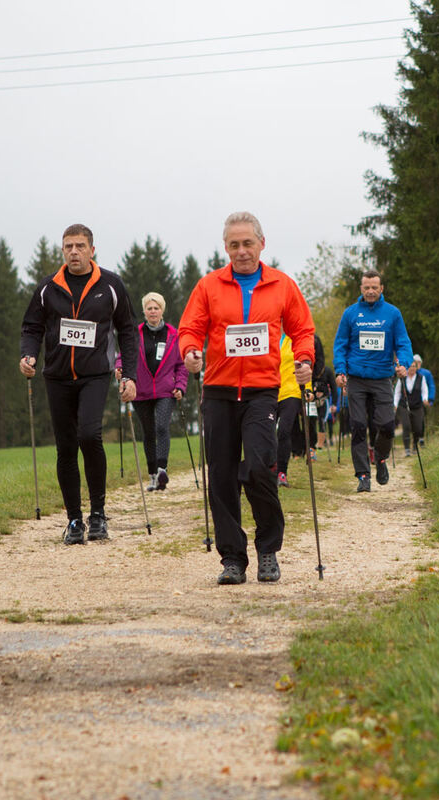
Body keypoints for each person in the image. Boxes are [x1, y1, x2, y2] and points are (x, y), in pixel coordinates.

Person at [179, 211, 315, 585]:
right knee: (221, 475)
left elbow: (303, 329)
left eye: (247, 243)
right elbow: (190, 328)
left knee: (258, 466)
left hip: (261, 390)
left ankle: (267, 549)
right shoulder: (209, 286)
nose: (241, 251)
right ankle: (232, 559)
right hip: (219, 391)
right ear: (226, 247)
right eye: (234, 245)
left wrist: (305, 360)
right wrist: (190, 351)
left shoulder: (281, 285)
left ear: (261, 243)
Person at [20, 223, 138, 545]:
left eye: (80, 246)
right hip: (57, 376)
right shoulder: (48, 288)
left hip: (95, 375)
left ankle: (97, 513)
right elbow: (31, 327)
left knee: (90, 434)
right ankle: (74, 519)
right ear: (63, 251)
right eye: (68, 246)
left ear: (92, 250)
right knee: (66, 447)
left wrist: (130, 374)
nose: (74, 252)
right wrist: (28, 356)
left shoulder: (111, 285)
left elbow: (127, 330)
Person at [333, 269, 413, 493]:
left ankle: (380, 458)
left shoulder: (392, 314)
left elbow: (403, 343)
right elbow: (340, 345)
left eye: (374, 288)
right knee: (358, 426)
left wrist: (404, 364)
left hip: (382, 378)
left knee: (387, 425)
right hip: (356, 379)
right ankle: (363, 475)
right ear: (361, 289)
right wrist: (340, 371)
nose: (370, 291)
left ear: (381, 289)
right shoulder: (350, 314)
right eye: (366, 287)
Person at [116, 292, 188, 491]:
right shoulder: (134, 333)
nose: (153, 311)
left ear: (162, 310)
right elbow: (124, 355)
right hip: (140, 390)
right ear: (144, 311)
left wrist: (180, 386)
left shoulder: (174, 335)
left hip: (166, 390)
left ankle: (162, 469)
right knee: (148, 432)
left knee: (162, 427)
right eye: (149, 308)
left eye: (156, 308)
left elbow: (181, 365)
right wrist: (119, 368)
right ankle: (152, 476)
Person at [276, 333, 312, 487]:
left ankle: (281, 473)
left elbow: (305, 365)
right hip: (268, 391)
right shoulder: (267, 334)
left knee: (284, 431)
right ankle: (266, 470)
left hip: (291, 392)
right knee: (264, 434)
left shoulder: (296, 339)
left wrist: (308, 389)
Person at [394, 361, 429, 456]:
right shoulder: (402, 379)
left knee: (417, 427)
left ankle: (414, 445)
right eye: (410, 366)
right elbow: (397, 392)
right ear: (407, 368)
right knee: (406, 426)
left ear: (416, 368)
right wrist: (395, 404)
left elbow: (424, 391)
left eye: (414, 366)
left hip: (417, 406)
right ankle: (407, 449)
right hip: (404, 406)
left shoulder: (421, 378)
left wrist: (425, 399)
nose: (412, 368)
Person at [413, 353, 436, 445]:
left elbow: (431, 385)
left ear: (421, 363)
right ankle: (414, 439)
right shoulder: (409, 372)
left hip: (423, 400)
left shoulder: (426, 373)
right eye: (415, 363)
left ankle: (421, 438)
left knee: (421, 419)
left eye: (418, 362)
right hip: (412, 400)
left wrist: (430, 399)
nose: (417, 364)